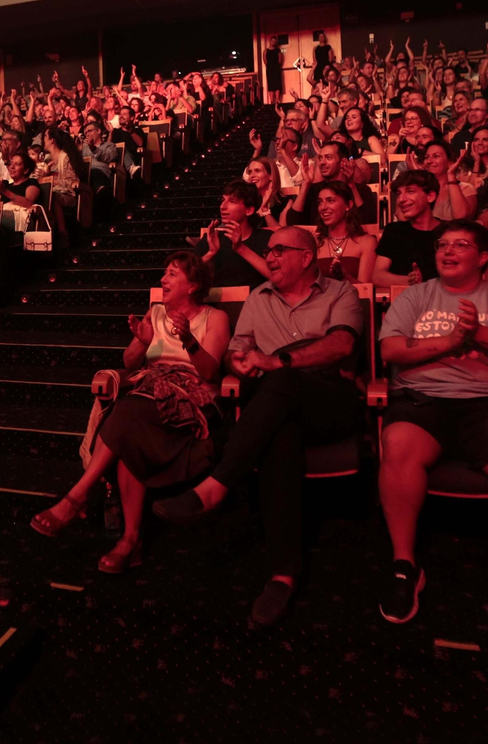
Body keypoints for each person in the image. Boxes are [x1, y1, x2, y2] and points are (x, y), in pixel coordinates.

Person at [152, 226, 365, 627]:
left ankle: (216, 486)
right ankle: (282, 577)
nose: (269, 257)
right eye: (268, 251)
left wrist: (276, 362)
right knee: (279, 434)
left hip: (328, 397)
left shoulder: (341, 292)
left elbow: (341, 345)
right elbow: (237, 349)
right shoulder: (258, 298)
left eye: (279, 250)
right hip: (275, 402)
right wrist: (242, 363)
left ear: (306, 257)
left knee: (280, 383)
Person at [375, 220, 488, 656]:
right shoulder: (415, 296)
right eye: (443, 245)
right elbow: (392, 351)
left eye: (461, 245)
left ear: (484, 257)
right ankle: (404, 567)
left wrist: (480, 335)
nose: (448, 252)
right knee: (397, 446)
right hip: (425, 398)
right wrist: (452, 341)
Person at [30, 253, 230, 572]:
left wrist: (189, 339)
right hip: (146, 386)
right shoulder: (156, 312)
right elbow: (129, 362)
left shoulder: (214, 317)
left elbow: (208, 372)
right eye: (164, 273)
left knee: (126, 412)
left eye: (172, 275)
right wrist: (142, 342)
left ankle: (79, 496)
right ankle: (130, 541)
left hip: (188, 390)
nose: (162, 280)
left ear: (193, 286)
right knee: (129, 425)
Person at [195, 182, 272, 288]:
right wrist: (210, 253)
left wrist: (240, 248)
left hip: (256, 302)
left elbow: (277, 276)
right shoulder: (213, 238)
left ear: (249, 210)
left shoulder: (266, 238)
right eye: (223, 200)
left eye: (232, 201)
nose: (222, 206)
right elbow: (188, 278)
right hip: (216, 303)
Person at [373, 170, 442, 286]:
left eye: (410, 191)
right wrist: (410, 281)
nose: (401, 199)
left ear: (430, 196)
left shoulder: (449, 232)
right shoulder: (394, 231)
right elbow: (378, 276)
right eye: (399, 194)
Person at [284, 141, 376, 226]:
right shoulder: (313, 190)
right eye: (320, 158)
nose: (322, 163)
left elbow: (367, 223)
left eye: (328, 157)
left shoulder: (361, 190)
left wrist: (351, 185)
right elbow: (292, 222)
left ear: (343, 162)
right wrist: (305, 184)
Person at [311, 180, 375, 283]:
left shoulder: (366, 243)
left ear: (348, 205)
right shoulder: (314, 243)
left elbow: (365, 292)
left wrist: (345, 276)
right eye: (320, 202)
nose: (323, 207)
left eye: (330, 201)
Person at [419, 141, 477, 220]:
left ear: (450, 162)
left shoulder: (465, 189)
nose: (429, 161)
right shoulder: (420, 188)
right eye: (426, 157)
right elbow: (402, 217)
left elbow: (461, 218)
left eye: (436, 156)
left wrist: (451, 175)